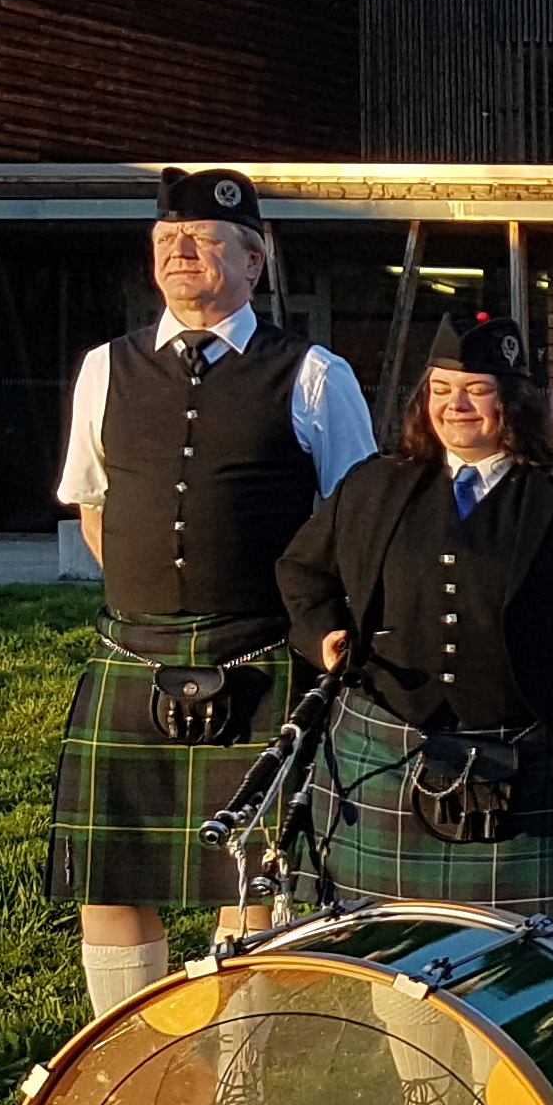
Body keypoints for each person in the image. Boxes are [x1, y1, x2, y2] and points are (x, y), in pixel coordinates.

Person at [49, 167, 374, 1015]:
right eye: (167, 240)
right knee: (111, 876)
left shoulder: (313, 373)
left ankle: (238, 1068)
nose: (180, 252)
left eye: (202, 239)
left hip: (261, 653)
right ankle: (133, 1059)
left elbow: (358, 520)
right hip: (133, 652)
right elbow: (92, 502)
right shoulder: (105, 367)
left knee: (255, 876)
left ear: (253, 262)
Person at [276, 312, 553, 923]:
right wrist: (323, 637)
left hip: (528, 745)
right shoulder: (375, 485)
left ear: (514, 401)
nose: (456, 406)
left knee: (520, 946)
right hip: (387, 743)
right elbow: (302, 572)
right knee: (383, 939)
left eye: (477, 390)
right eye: (441, 389)